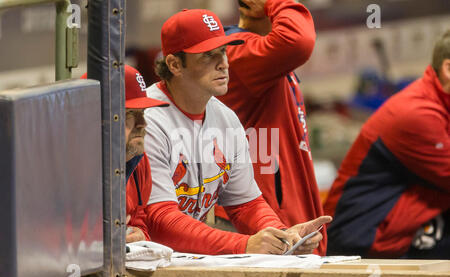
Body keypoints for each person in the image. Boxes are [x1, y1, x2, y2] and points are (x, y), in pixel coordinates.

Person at [141, 8, 331, 255]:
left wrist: (283, 236)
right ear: (175, 64)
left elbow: (246, 204)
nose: (223, 63)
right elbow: (161, 222)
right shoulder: (148, 120)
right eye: (208, 55)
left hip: (180, 258)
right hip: (138, 264)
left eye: (223, 51)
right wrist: (244, 244)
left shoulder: (226, 118)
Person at [213, 0, 328, 255]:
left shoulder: (263, 55)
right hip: (255, 221)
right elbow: (299, 40)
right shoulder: (237, 52)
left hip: (275, 216)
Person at [323, 30, 450, 259]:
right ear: (448, 70)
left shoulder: (439, 102)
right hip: (362, 237)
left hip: (398, 224)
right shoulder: (418, 113)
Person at [82, 65, 169, 243]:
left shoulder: (138, 159)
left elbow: (139, 219)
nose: (142, 124)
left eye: (143, 113)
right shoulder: (70, 171)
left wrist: (139, 234)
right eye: (130, 114)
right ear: (96, 118)